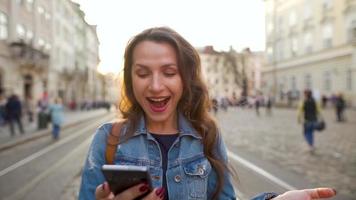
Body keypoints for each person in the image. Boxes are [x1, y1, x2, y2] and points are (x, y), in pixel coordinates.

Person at [79, 27, 336, 200]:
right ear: (130, 79)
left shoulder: (207, 136)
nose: (155, 86)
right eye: (143, 73)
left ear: (186, 78)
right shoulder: (108, 139)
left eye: (169, 72)